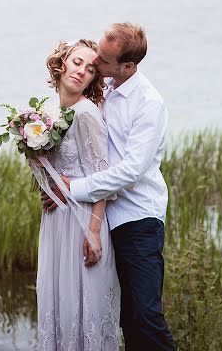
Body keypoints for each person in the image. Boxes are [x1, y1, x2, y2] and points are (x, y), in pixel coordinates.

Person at [43, 23, 176, 351]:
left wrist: (71, 189)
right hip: (94, 215)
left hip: (136, 218)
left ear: (127, 66)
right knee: (119, 316)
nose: (95, 65)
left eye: (102, 60)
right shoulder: (104, 90)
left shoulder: (148, 103)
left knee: (143, 315)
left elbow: (130, 171)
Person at [35, 39, 121, 351]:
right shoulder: (44, 112)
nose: (81, 71)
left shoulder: (86, 113)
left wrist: (94, 231)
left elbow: (104, 179)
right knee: (58, 300)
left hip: (82, 220)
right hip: (55, 220)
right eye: (76, 62)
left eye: (90, 69)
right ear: (61, 63)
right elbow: (48, 169)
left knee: (83, 303)